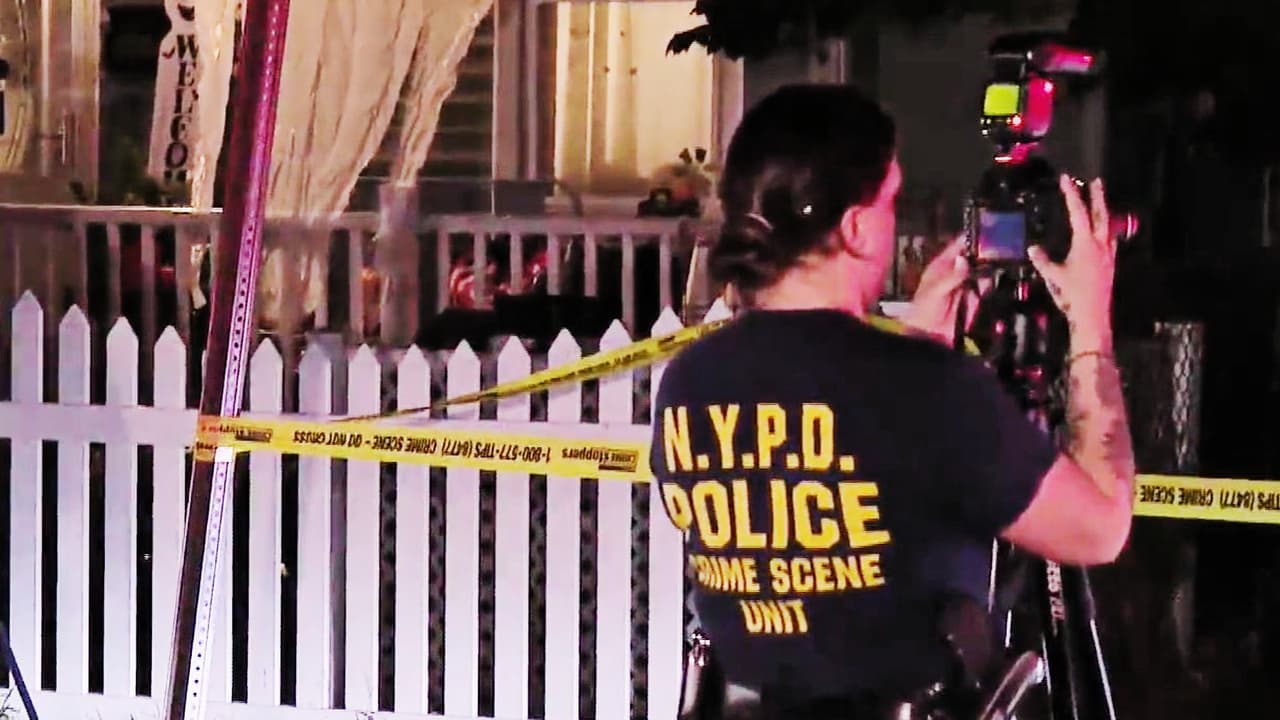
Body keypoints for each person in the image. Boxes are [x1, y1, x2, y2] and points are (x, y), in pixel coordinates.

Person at [649, 84, 1136, 718]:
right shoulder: (927, 389)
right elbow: (1101, 528)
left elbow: (831, 460)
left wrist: (919, 347)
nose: (893, 220)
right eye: (890, 200)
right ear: (854, 227)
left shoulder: (689, 382)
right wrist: (1092, 323)